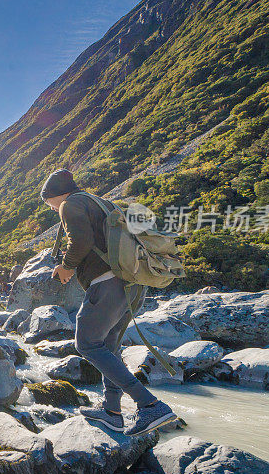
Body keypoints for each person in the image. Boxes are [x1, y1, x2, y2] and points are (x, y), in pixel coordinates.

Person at [40, 168, 177, 436]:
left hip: (107, 284)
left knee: (87, 343)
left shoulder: (71, 203)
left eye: (48, 203)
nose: (51, 207)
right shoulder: (101, 203)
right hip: (132, 284)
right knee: (109, 348)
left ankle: (150, 405)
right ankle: (112, 412)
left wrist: (67, 267)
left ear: (53, 195)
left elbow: (80, 241)